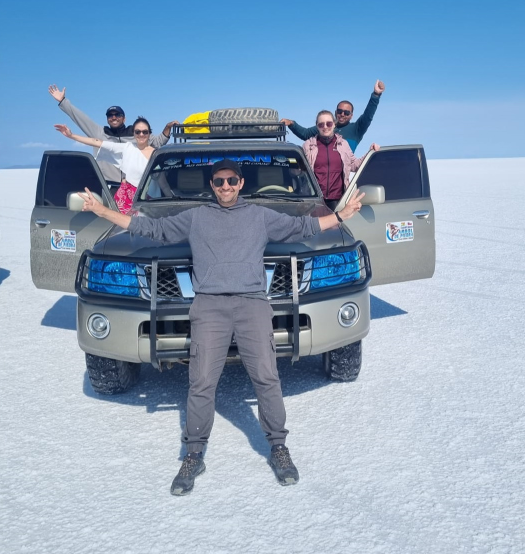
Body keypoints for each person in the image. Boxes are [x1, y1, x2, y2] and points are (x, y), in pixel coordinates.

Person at [77, 158, 366, 494]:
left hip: (252, 303)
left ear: (241, 183)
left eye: (231, 181)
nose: (225, 186)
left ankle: (278, 446)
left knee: (267, 376)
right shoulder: (196, 217)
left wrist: (341, 216)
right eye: (218, 181)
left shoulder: (260, 216)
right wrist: (102, 211)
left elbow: (304, 227)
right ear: (211, 185)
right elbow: (150, 229)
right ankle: (193, 454)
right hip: (209, 306)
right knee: (201, 380)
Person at [48, 85, 178, 182]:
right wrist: (63, 101)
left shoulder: (137, 134)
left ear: (124, 118)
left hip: (133, 185)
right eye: (110, 115)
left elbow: (158, 142)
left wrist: (167, 127)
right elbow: (81, 118)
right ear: (107, 119)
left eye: (117, 115)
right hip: (109, 186)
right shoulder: (99, 133)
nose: (114, 117)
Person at [55, 117, 155, 214]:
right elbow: (97, 142)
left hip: (148, 201)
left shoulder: (156, 154)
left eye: (145, 132)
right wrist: (71, 135)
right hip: (125, 201)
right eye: (138, 132)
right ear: (133, 133)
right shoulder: (127, 148)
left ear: (149, 133)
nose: (141, 134)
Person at [281, 79, 385, 152]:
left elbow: (368, 116)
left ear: (351, 116)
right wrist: (291, 123)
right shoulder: (326, 126)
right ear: (335, 112)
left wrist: (376, 95)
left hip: (343, 174)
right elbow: (305, 134)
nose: (342, 114)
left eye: (346, 113)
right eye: (340, 111)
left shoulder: (356, 129)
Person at [303, 110, 380, 210]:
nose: (325, 127)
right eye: (321, 124)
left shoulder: (343, 144)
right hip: (315, 200)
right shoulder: (308, 145)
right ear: (317, 126)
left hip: (338, 200)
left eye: (329, 123)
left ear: (334, 124)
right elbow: (301, 171)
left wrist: (370, 152)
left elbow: (354, 165)